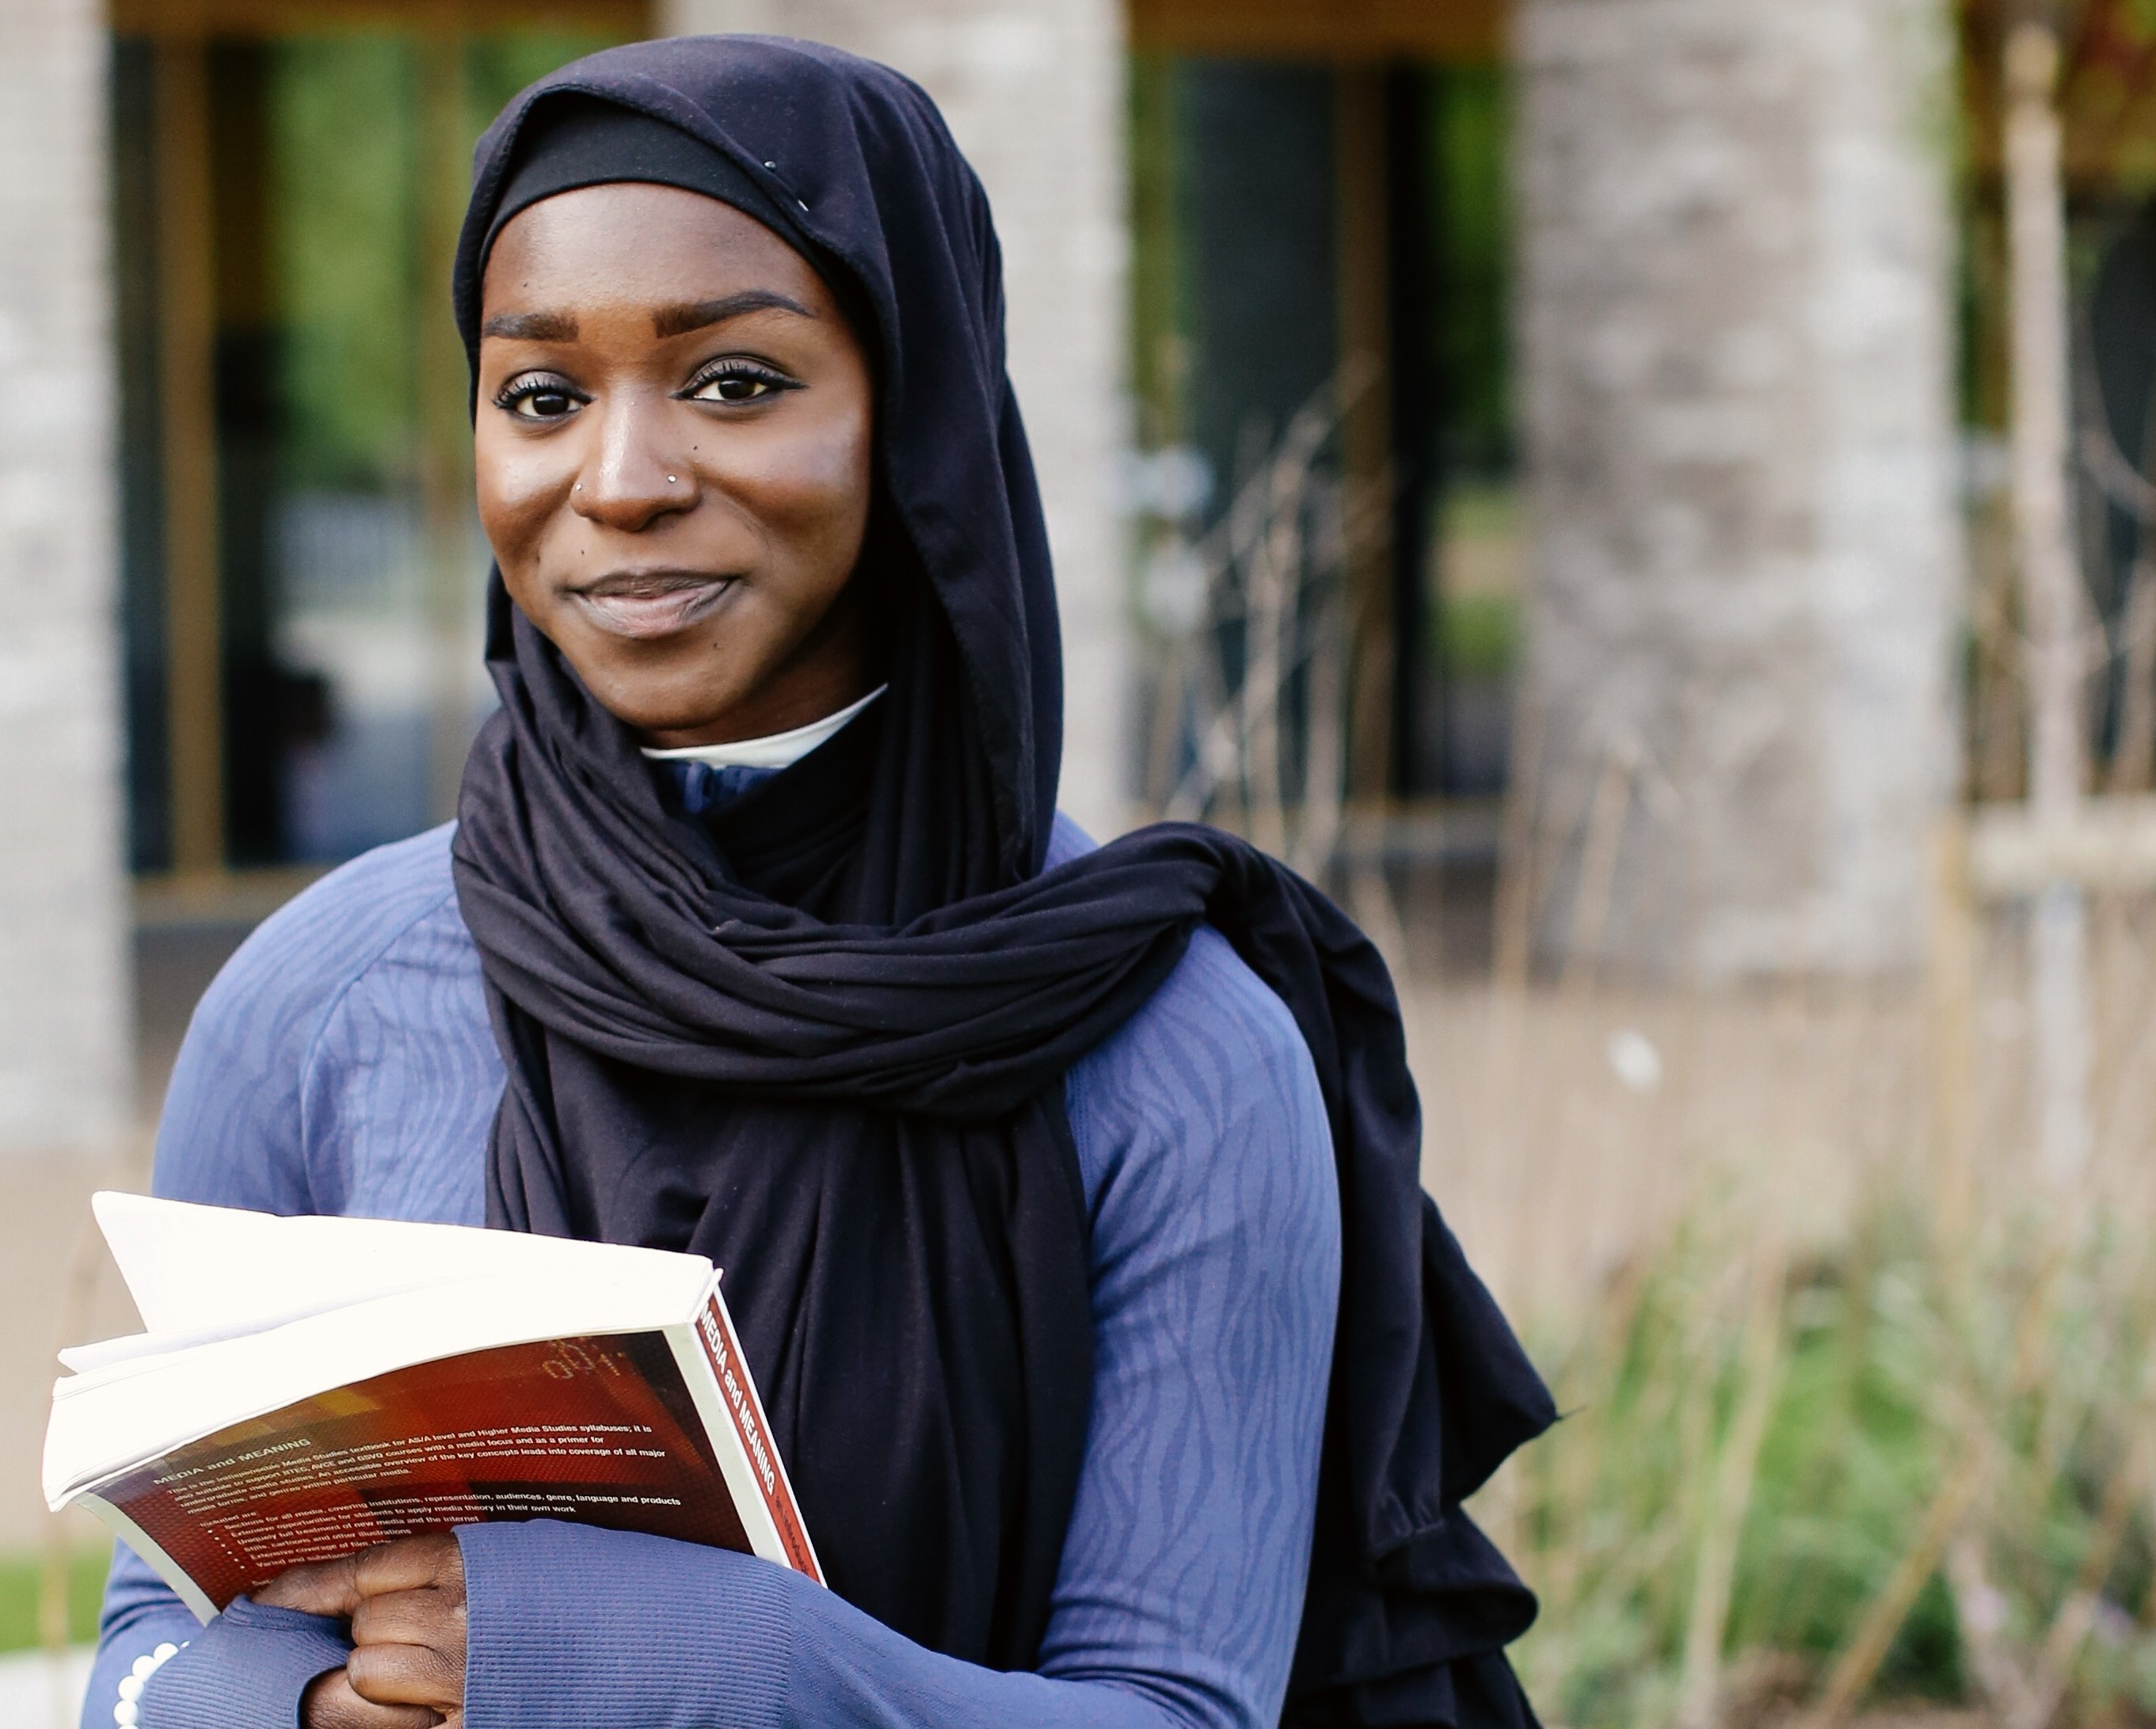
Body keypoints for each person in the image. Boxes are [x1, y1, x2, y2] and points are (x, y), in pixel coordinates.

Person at [86, 35, 1552, 1729]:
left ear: (915, 425)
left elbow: (1178, 1711)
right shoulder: (318, 1003)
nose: (620, 480)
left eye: (735, 383)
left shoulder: (1173, 1050)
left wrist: (698, 1658)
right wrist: (299, 1708)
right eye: (542, 397)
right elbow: (156, 1641)